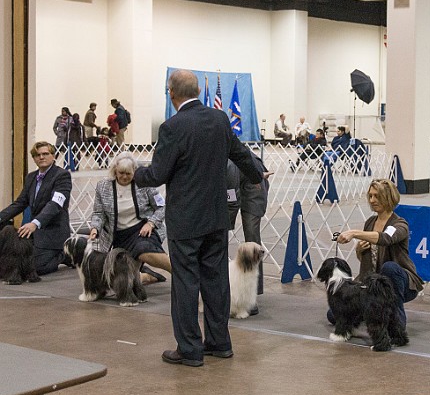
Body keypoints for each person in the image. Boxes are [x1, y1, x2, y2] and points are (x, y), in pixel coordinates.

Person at [133, 69, 263, 367]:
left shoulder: (172, 127)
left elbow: (157, 174)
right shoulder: (219, 119)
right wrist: (257, 175)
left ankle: (190, 348)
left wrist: (132, 176)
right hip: (216, 217)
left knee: (186, 284)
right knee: (216, 282)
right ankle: (220, 343)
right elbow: (241, 153)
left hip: (186, 221)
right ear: (200, 93)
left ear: (171, 93)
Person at [335, 179, 424, 327]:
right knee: (334, 315)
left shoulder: (400, 224)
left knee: (389, 268)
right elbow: (365, 260)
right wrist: (359, 250)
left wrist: (354, 233)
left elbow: (386, 238)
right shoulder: (370, 222)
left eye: (377, 196)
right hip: (374, 284)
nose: (372, 200)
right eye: (370, 196)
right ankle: (371, 313)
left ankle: (397, 324)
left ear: (388, 197)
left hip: (400, 284)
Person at [89, 151, 171, 285]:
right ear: (115, 170)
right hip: (117, 236)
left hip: (142, 231)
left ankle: (179, 273)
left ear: (135, 171)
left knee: (143, 250)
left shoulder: (145, 184)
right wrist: (95, 228)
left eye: (128, 174)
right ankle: (146, 276)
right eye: (121, 173)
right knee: (121, 281)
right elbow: (98, 213)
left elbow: (162, 206)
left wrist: (151, 223)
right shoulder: (103, 186)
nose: (124, 177)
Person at [0, 142, 72, 275]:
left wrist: (35, 223)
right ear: (33, 158)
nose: (41, 157)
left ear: (53, 156)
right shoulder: (30, 177)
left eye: (45, 154)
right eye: (37, 155)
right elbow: (20, 203)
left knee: (33, 268)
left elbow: (55, 205)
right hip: (33, 235)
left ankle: (63, 255)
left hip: (52, 234)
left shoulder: (62, 176)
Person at [227, 149, 272, 309]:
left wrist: (227, 226)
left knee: (252, 240)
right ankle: (227, 287)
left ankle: (253, 295)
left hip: (255, 184)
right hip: (238, 180)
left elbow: (232, 200)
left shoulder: (227, 165)